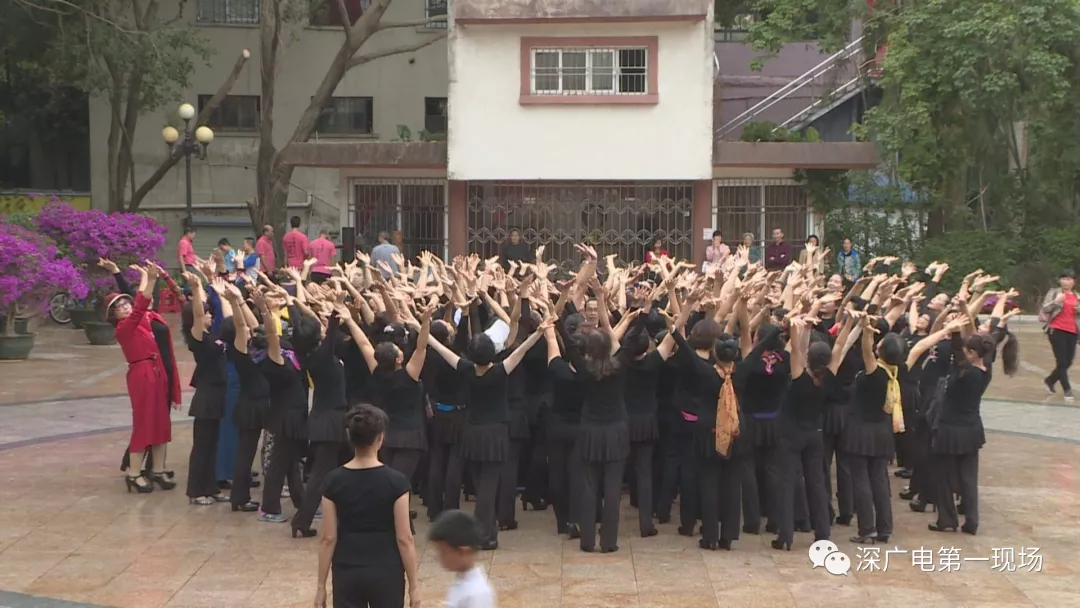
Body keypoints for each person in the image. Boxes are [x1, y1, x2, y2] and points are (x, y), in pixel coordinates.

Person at [315, 405, 420, 608]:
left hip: (347, 570)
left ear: (349, 436)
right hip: (386, 570)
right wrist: (414, 586)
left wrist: (321, 586)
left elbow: (328, 538)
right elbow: (404, 538)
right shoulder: (397, 482)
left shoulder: (333, 481)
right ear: (380, 438)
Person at [108, 263, 180, 493]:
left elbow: (140, 302)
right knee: (144, 423)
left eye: (125, 303)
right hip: (142, 374)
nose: (124, 307)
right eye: (118, 307)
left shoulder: (141, 320)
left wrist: (145, 279)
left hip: (156, 371)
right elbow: (140, 304)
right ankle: (134, 473)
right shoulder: (124, 328)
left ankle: (158, 470)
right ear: (113, 315)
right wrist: (150, 278)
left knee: (161, 422)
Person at [181, 276, 232, 506]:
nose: (210, 315)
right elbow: (198, 313)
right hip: (206, 396)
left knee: (213, 444)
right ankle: (195, 490)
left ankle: (211, 487)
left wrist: (222, 295)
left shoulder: (213, 336)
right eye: (207, 313)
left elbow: (229, 320)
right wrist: (196, 287)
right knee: (202, 446)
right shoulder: (198, 338)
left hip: (218, 393)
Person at [428, 510, 496, 608]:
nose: (439, 557)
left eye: (444, 552)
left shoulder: (476, 593)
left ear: (463, 552)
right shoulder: (463, 582)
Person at [1042, 269, 1080, 401]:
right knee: (1062, 362)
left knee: (1068, 362)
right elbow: (1045, 309)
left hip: (1072, 331)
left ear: (1074, 282)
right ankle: (1067, 390)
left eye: (1068, 279)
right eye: (1063, 279)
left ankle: (1050, 380)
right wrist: (1056, 301)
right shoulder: (1054, 292)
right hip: (1056, 330)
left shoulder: (1077, 296)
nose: (1065, 282)